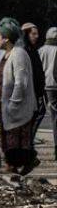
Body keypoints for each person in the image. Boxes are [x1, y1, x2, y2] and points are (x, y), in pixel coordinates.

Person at [0, 20, 37, 175]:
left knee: (17, 140)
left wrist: (13, 103)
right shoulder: (7, 54)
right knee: (8, 139)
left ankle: (26, 161)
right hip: (5, 106)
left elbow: (21, 81)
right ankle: (12, 166)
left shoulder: (19, 54)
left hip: (17, 108)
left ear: (6, 38)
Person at [40, 27, 57, 162]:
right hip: (55, 85)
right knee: (55, 117)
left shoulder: (41, 50)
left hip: (45, 85)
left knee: (51, 115)